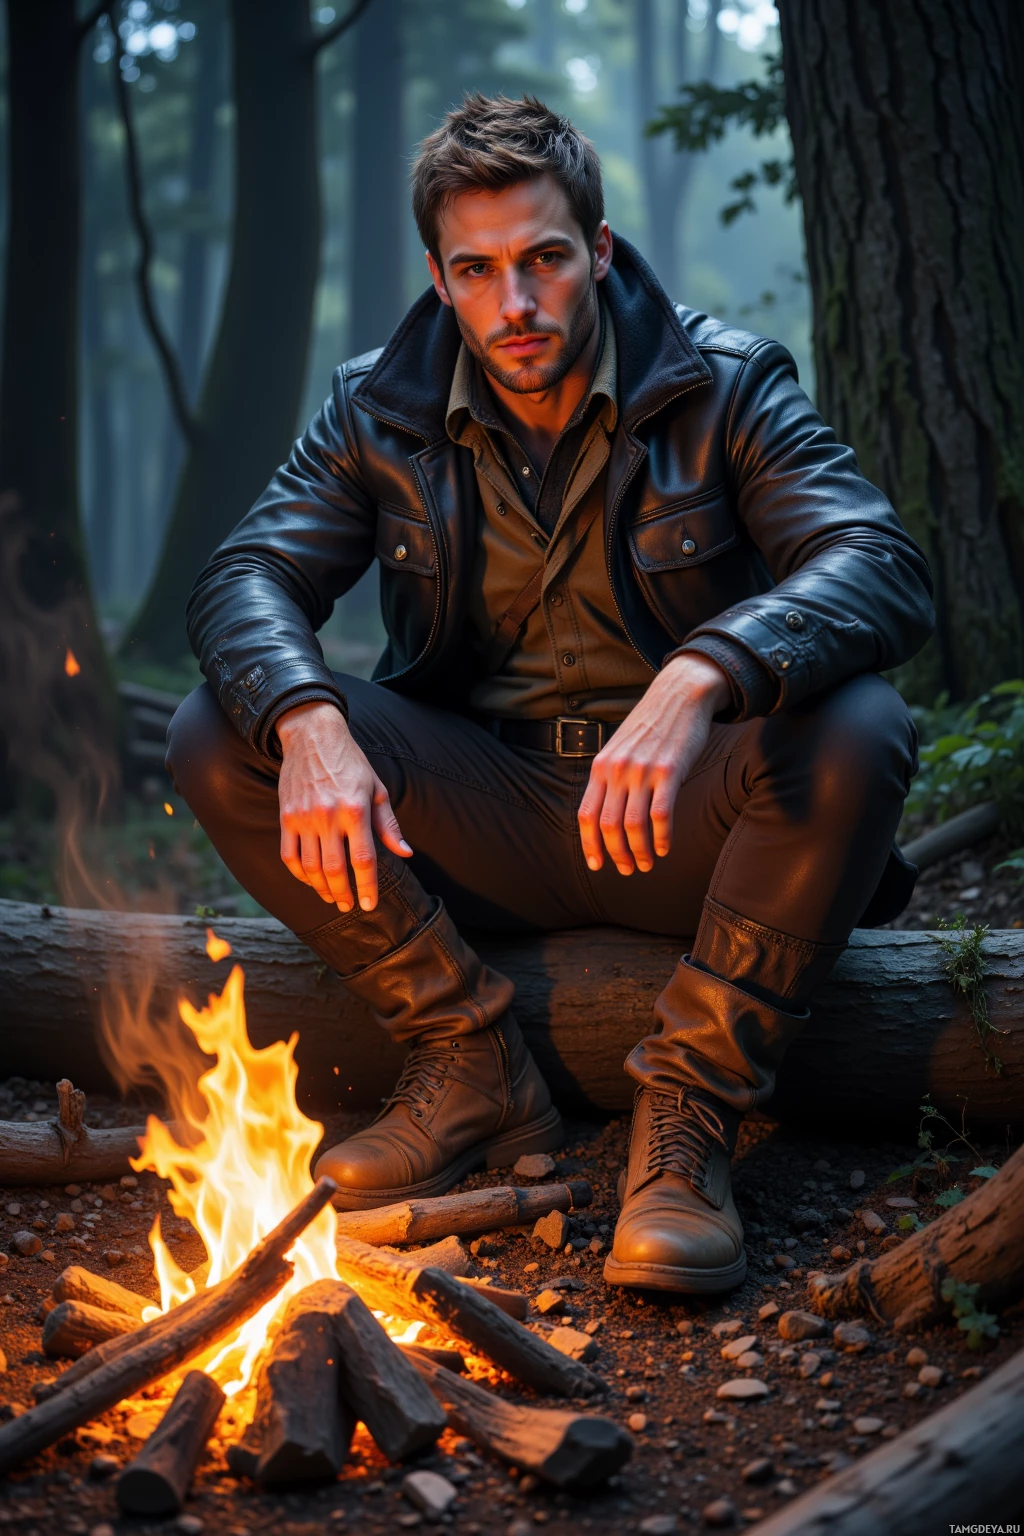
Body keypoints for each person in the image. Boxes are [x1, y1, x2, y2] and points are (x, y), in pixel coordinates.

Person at [166, 94, 933, 1295]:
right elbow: (247, 574)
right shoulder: (378, 405)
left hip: (687, 818)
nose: (513, 305)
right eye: (477, 271)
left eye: (543, 262)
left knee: (857, 728)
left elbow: (878, 562)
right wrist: (310, 720)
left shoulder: (723, 382)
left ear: (600, 252)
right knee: (226, 727)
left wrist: (702, 673)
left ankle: (686, 1119)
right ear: (440, 275)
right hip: (485, 812)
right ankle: (467, 1060)